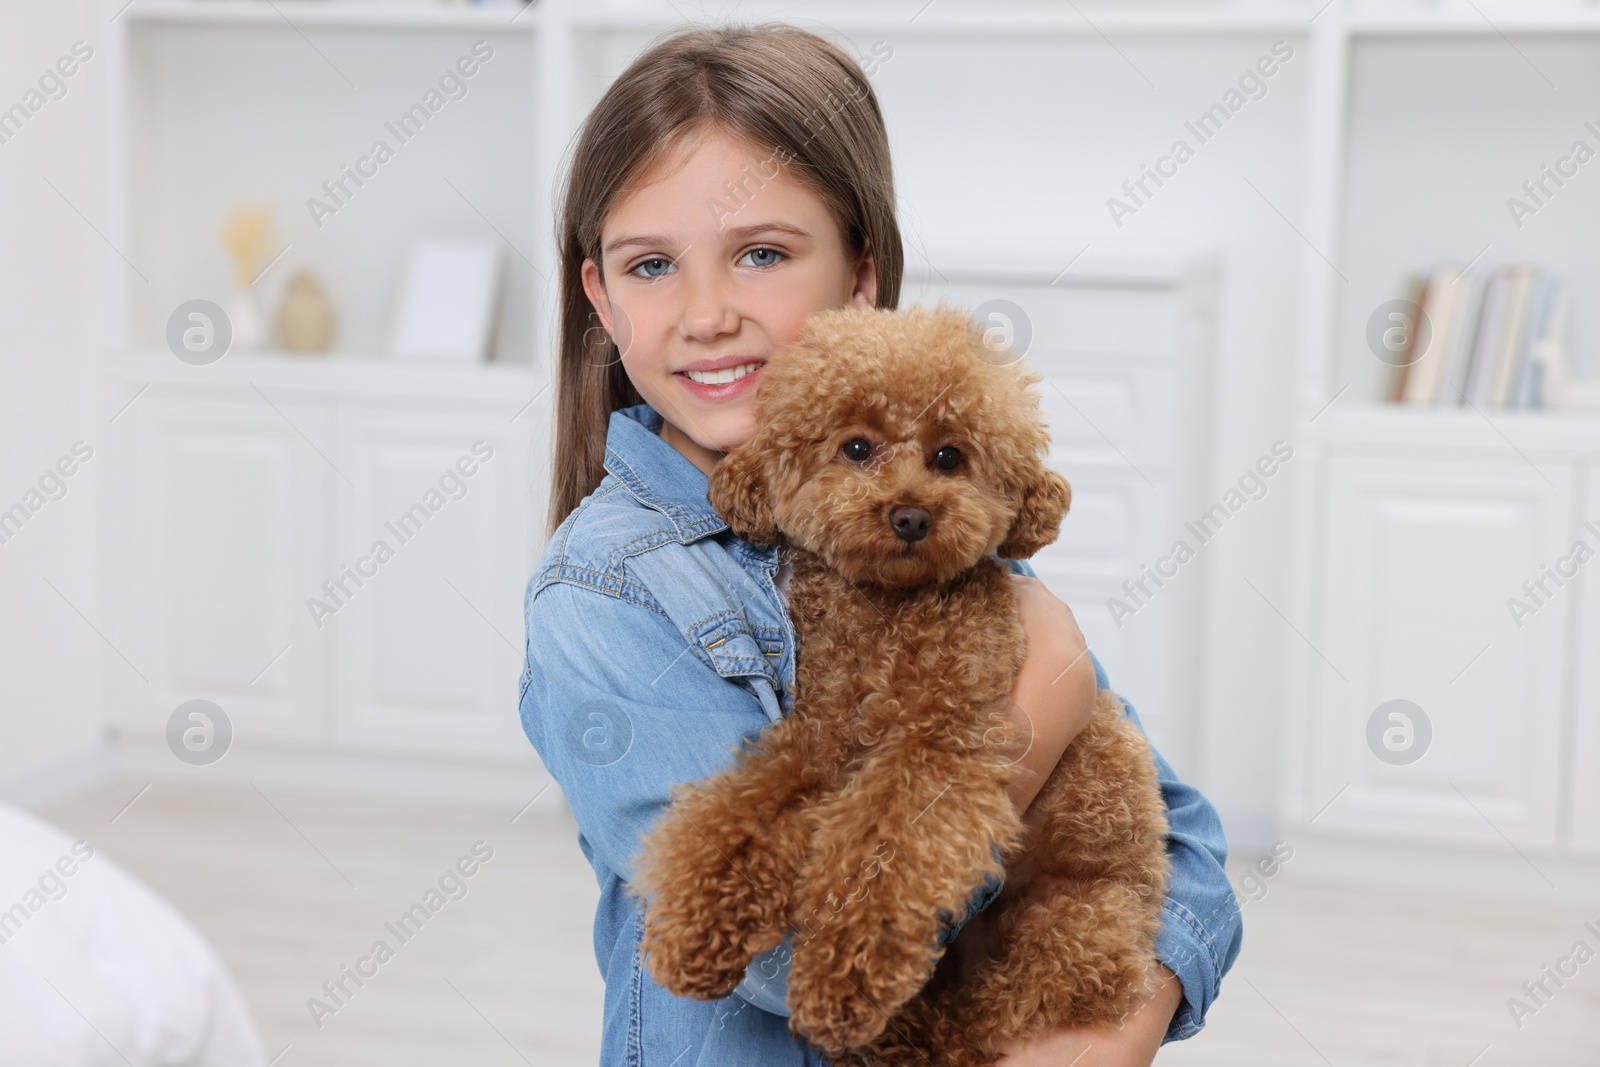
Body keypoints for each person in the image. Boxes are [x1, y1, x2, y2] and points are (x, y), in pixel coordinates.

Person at [518, 23, 1241, 1065]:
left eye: (761, 253)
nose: (708, 313)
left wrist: (1101, 1036)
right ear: (599, 298)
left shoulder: (936, 530)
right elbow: (786, 960)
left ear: (861, 274)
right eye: (651, 265)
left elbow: (1184, 845)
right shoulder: (604, 592)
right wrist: (1047, 692)